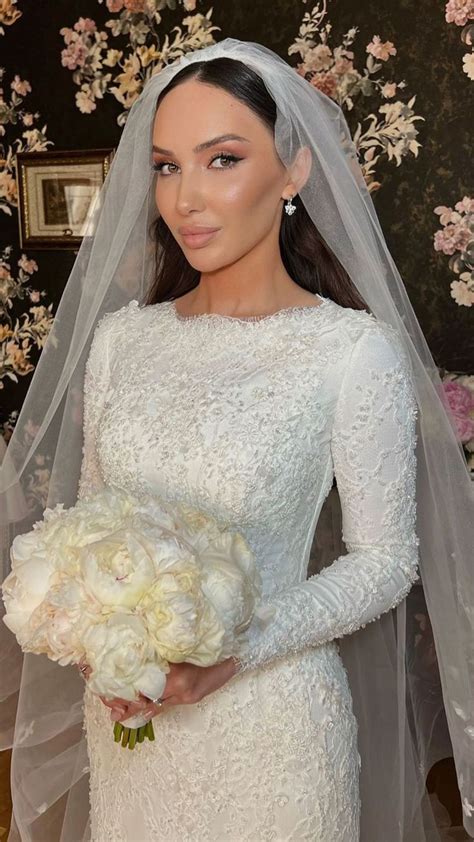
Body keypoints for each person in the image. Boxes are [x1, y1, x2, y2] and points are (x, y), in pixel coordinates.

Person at [0, 38, 473, 842]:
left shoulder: (352, 352)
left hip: (271, 731)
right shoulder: (122, 342)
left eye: (221, 160)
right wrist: (93, 637)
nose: (185, 199)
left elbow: (387, 562)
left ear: (293, 171)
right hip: (130, 722)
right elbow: (88, 529)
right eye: (166, 166)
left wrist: (236, 649)